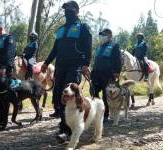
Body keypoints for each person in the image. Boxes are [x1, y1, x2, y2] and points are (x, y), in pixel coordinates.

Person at [41, 0, 92, 139]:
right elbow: (55, 49)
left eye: (69, 8)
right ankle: (64, 126)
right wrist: (46, 63)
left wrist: (86, 63)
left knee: (71, 96)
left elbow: (88, 47)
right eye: (65, 9)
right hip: (60, 66)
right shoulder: (61, 29)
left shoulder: (83, 27)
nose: (66, 11)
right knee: (59, 97)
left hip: (75, 65)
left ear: (76, 11)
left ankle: (69, 130)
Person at [91, 28, 122, 122]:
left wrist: (117, 72)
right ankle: (97, 111)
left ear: (110, 36)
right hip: (96, 73)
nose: (103, 37)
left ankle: (105, 115)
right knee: (93, 91)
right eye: (102, 35)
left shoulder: (114, 46)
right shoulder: (99, 47)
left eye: (104, 35)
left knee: (106, 94)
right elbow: (95, 60)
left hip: (108, 73)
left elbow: (118, 60)